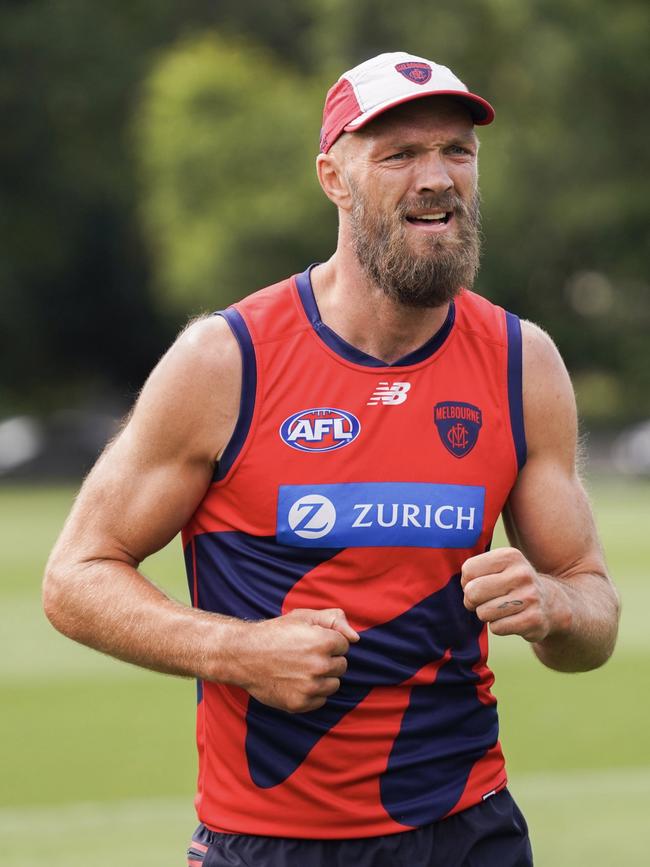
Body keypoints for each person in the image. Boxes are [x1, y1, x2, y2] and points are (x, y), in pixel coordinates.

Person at [44, 51, 620, 867]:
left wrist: (555, 605)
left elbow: (593, 610)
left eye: (457, 150)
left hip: (468, 830)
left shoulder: (522, 363)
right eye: (399, 154)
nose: (437, 177)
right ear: (333, 178)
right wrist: (235, 651)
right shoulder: (226, 360)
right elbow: (74, 576)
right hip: (272, 841)